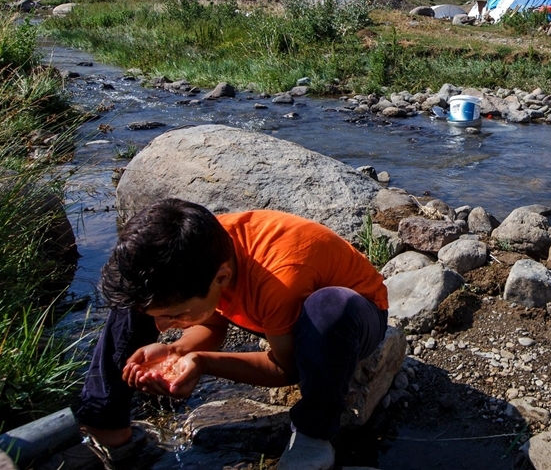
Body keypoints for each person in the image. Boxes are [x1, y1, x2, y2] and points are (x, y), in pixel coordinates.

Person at [64, 198, 388, 470]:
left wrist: (203, 361)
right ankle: (105, 423)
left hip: (354, 315)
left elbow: (288, 369)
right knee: (137, 297)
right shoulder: (203, 249)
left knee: (328, 309)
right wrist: (178, 351)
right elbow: (215, 317)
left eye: (175, 317)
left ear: (222, 277)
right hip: (263, 304)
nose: (161, 329)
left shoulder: (278, 282)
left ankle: (314, 434)